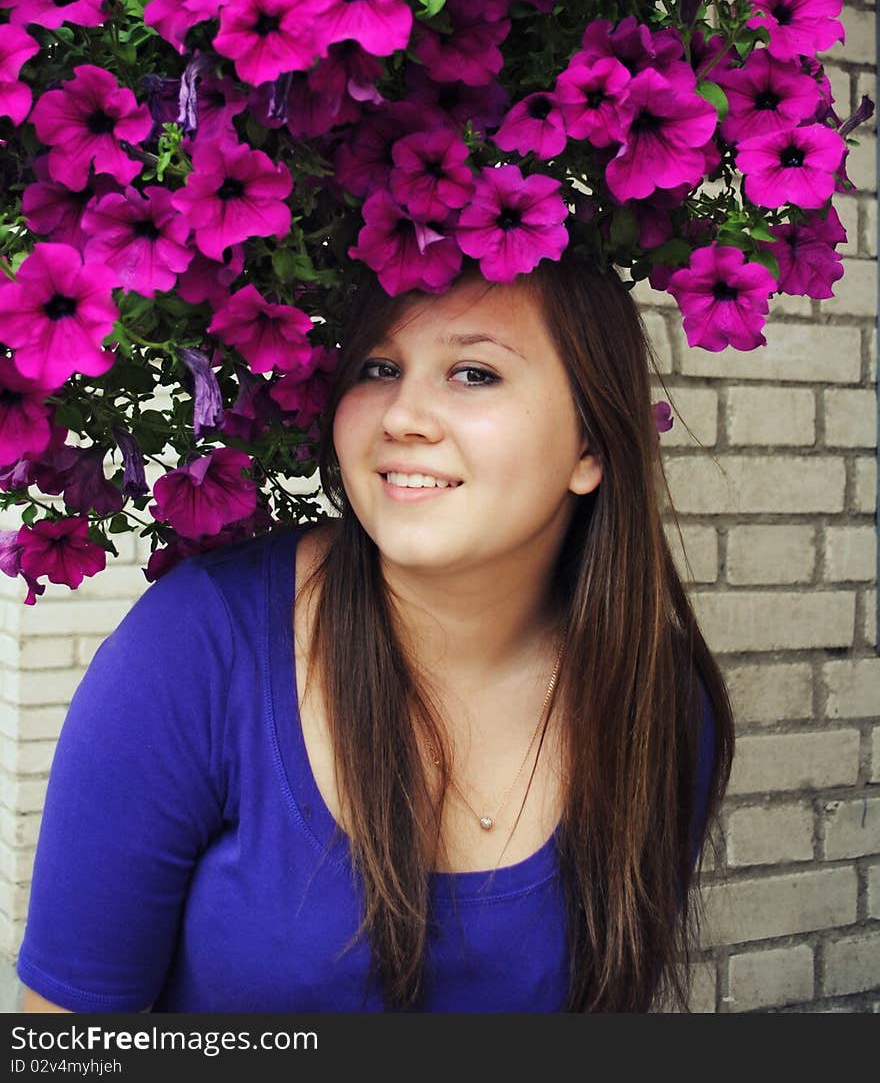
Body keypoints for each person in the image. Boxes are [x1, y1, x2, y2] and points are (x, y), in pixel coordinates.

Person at [17, 249, 734, 1013]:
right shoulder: (196, 650)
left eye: (474, 373)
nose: (401, 417)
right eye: (378, 368)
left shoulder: (655, 700)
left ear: (590, 447)